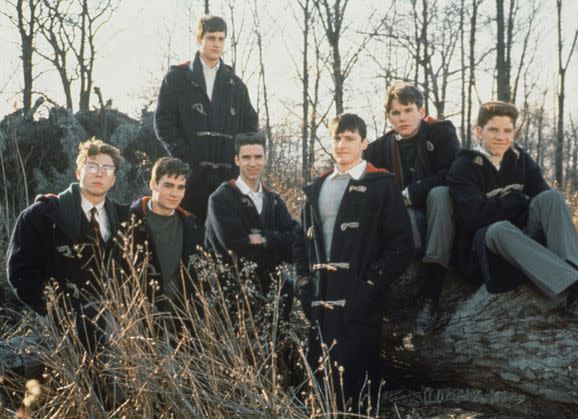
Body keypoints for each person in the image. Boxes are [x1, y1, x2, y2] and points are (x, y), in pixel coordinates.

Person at [447, 101, 578, 314]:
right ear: (479, 131)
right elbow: (472, 219)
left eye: (507, 130)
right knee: (497, 228)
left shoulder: (520, 159)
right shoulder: (464, 166)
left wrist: (504, 203)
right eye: (493, 130)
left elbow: (541, 199)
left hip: (528, 246)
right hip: (488, 257)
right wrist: (515, 200)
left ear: (514, 133)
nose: (501, 137)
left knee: (551, 197)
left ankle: (574, 289)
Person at [293, 113, 412, 411]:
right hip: (320, 300)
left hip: (360, 299)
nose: (342, 144)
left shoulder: (381, 184)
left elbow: (401, 245)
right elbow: (300, 244)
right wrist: (304, 283)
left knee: (357, 389)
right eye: (337, 138)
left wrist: (370, 285)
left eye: (350, 138)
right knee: (318, 387)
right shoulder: (316, 188)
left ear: (364, 143)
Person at [6, 138, 129, 407]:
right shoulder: (42, 216)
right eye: (92, 165)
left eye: (107, 169)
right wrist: (55, 311)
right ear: (78, 172)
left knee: (112, 400)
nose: (99, 173)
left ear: (114, 179)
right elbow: (20, 271)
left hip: (112, 329)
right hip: (61, 330)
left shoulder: (123, 217)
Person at [364, 83, 460, 334]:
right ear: (389, 117)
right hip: (405, 223)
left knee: (440, 194)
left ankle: (431, 296)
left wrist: (410, 193)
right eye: (396, 113)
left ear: (421, 111)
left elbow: (453, 175)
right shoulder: (378, 148)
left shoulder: (441, 133)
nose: (403, 118)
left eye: (408, 110)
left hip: (444, 218)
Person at [154, 15, 258, 222]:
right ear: (199, 38)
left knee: (224, 236)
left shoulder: (236, 86)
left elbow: (250, 128)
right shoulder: (176, 79)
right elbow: (163, 123)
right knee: (189, 233)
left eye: (221, 39)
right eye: (211, 38)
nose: (217, 44)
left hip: (226, 176)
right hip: (187, 176)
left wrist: (237, 161)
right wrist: (184, 157)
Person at [205, 132, 297, 317]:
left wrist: (264, 238)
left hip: (274, 298)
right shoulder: (221, 198)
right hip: (235, 300)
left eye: (258, 157)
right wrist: (278, 245)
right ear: (236, 160)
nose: (252, 163)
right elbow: (235, 247)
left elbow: (296, 242)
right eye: (246, 157)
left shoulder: (274, 200)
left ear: (265, 159)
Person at [129, 157, 204, 321]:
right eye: (168, 185)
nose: (175, 193)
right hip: (139, 321)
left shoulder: (190, 226)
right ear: (153, 184)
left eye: (180, 187)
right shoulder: (130, 222)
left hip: (180, 323)